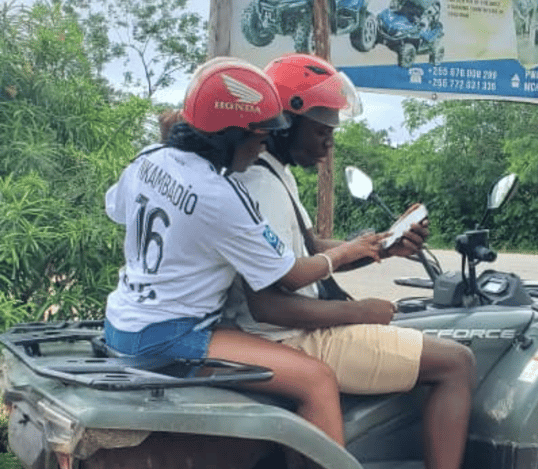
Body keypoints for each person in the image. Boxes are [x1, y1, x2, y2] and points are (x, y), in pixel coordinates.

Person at [104, 56, 386, 447]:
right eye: (257, 137)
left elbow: (117, 208)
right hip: (172, 336)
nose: (261, 147)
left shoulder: (148, 159)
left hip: (121, 322)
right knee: (317, 379)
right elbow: (287, 275)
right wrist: (339, 256)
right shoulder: (222, 195)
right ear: (230, 137)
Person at [224, 53, 476, 469]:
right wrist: (359, 312)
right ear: (285, 124)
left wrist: (380, 247)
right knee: (456, 362)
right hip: (286, 336)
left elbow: (308, 251)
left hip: (285, 329)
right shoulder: (261, 186)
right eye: (322, 131)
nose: (329, 143)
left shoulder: (270, 172)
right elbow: (268, 305)